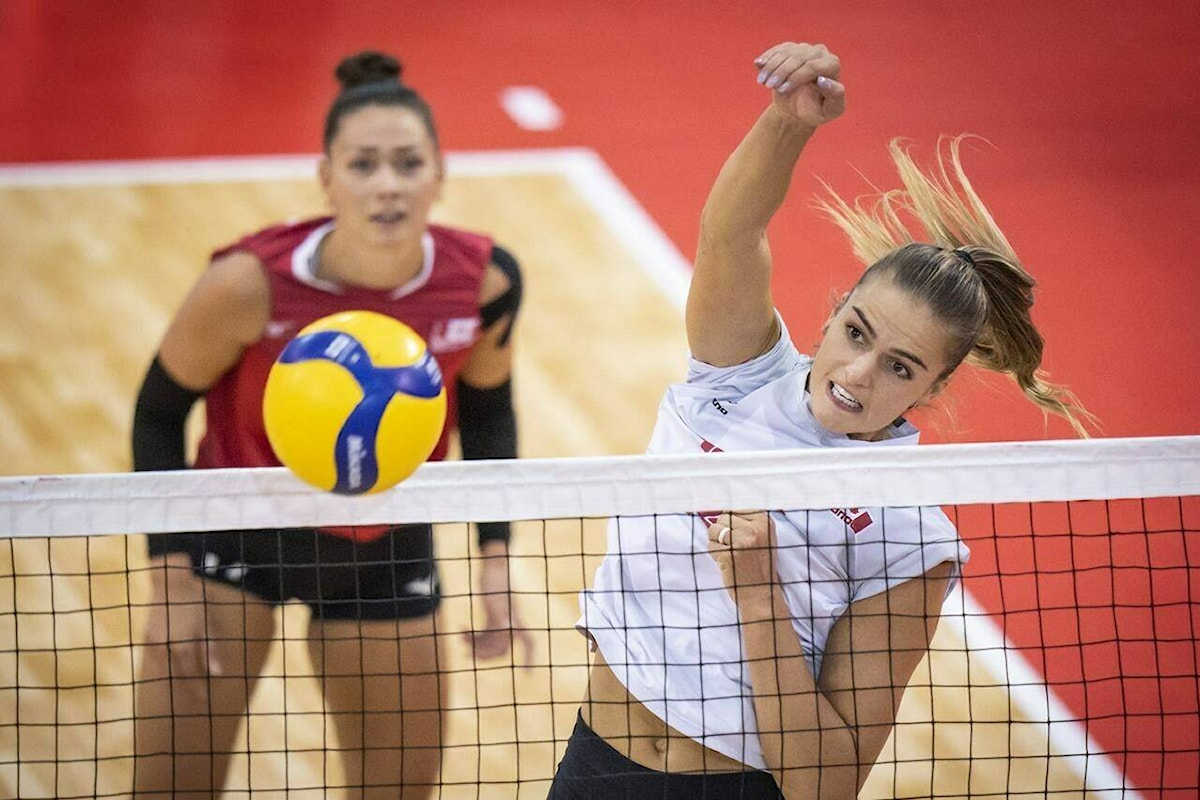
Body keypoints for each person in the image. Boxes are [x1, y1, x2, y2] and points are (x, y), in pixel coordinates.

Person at [549, 40, 1093, 799]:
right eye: (857, 333)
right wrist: (789, 120)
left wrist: (758, 593)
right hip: (592, 767)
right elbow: (729, 233)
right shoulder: (736, 377)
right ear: (833, 313)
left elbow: (826, 784)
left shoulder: (910, 534)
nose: (857, 374)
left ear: (932, 386)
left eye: (900, 367)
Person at [130, 51, 531, 800]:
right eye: (364, 164)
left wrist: (496, 560)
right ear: (326, 178)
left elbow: (487, 412)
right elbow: (157, 417)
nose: (387, 184)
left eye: (408, 164)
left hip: (383, 543)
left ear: (439, 176)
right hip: (232, 535)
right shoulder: (247, 284)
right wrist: (169, 579)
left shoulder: (484, 283)